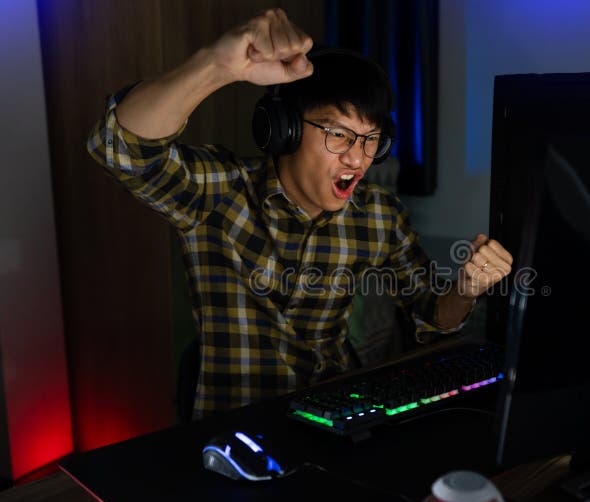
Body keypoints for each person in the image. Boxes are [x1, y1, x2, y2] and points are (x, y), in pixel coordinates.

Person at [87, 8, 513, 419]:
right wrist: (218, 65)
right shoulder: (220, 192)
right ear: (284, 129)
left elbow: (430, 316)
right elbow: (120, 148)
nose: (358, 159)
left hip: (335, 416)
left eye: (370, 139)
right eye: (339, 134)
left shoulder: (379, 216)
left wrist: (466, 288)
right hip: (233, 425)